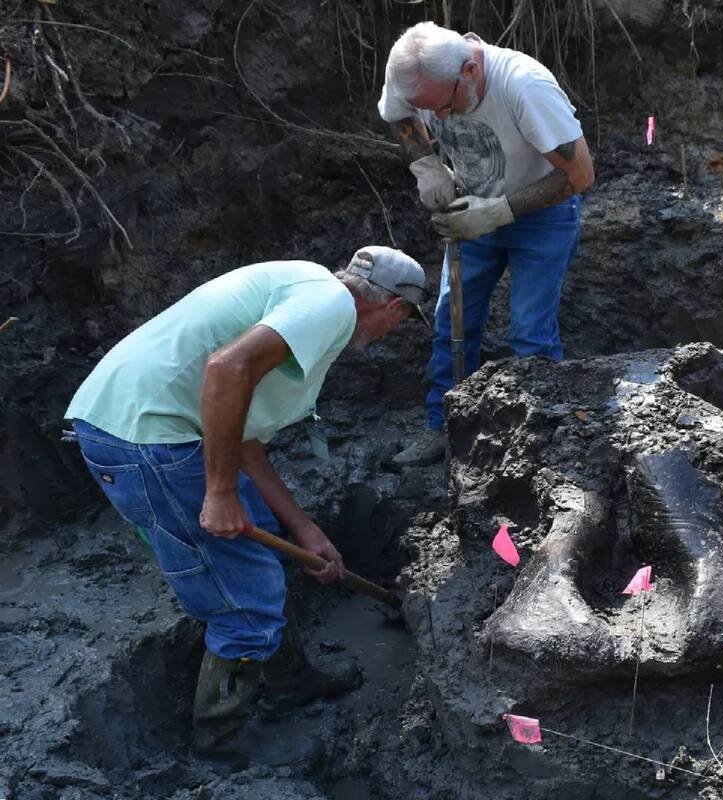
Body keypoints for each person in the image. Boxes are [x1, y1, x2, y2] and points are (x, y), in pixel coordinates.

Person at [64, 247, 428, 763]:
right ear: (394, 308)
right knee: (243, 599)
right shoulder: (330, 306)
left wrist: (303, 529)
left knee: (261, 552)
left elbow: (241, 432)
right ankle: (222, 740)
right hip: (147, 440)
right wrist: (219, 492)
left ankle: (289, 682)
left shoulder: (304, 286)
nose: (393, 332)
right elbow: (227, 368)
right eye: (402, 322)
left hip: (151, 426)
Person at [377, 21, 595, 465]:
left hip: (543, 217)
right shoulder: (413, 72)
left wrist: (498, 212)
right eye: (429, 110)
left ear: (471, 69)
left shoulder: (525, 87)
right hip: (468, 208)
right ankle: (444, 427)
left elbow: (580, 175)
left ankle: (541, 442)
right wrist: (428, 167)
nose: (439, 119)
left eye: (445, 106)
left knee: (530, 332)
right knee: (452, 321)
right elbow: (397, 114)